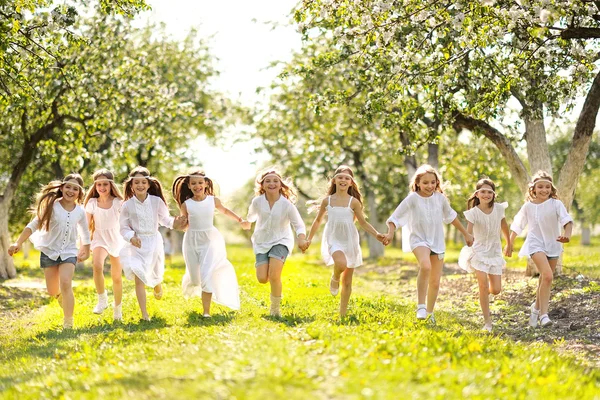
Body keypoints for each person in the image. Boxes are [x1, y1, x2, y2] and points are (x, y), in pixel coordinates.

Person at [383, 164, 474, 323]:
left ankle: (430, 313)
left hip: (437, 241)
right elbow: (395, 218)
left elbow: (451, 217)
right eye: (425, 183)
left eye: (433, 182)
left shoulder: (440, 198)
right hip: (418, 239)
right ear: (417, 183)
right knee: (425, 266)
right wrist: (390, 234)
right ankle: (420, 306)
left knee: (435, 282)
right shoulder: (412, 199)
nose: (430, 186)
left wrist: (466, 233)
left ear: (437, 183)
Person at [8, 174, 91, 329]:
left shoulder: (80, 211)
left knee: (66, 282)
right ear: (61, 188)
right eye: (68, 187)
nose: (71, 191)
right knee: (52, 291)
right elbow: (33, 225)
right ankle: (59, 296)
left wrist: (86, 249)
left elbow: (85, 232)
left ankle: (68, 323)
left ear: (80, 193)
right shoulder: (52, 206)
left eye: (75, 188)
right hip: (49, 251)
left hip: (69, 251)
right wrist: (18, 242)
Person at [304, 165, 386, 316]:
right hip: (333, 238)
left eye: (347, 178)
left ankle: (343, 314)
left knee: (347, 281)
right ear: (334, 181)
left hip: (349, 240)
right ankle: (335, 277)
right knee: (341, 264)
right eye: (340, 177)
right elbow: (317, 221)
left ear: (351, 183)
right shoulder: (327, 201)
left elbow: (362, 223)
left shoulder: (354, 202)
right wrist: (308, 239)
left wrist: (377, 235)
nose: (343, 180)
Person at [119, 166, 186, 321]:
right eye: (137, 182)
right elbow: (123, 227)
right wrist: (131, 237)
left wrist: (176, 223)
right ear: (131, 185)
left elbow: (165, 219)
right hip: (137, 243)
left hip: (154, 241)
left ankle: (157, 283)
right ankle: (144, 315)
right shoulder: (127, 205)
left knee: (155, 272)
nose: (140, 185)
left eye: (143, 182)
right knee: (138, 275)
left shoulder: (156, 202)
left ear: (149, 184)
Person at [172, 169, 242, 316]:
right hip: (191, 240)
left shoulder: (213, 200)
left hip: (210, 240)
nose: (197, 186)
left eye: (200, 183)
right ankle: (190, 280)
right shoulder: (186, 204)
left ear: (205, 184)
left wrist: (240, 220)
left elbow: (225, 211)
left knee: (206, 274)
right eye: (193, 184)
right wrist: (179, 223)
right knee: (196, 280)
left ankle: (206, 312)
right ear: (189, 186)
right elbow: (184, 225)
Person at [509, 171, 573, 328]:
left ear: (551, 189)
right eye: (540, 187)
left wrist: (567, 235)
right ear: (534, 189)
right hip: (535, 243)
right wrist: (510, 243)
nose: (544, 190)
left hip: (553, 244)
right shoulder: (528, 207)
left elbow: (567, 221)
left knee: (545, 279)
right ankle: (544, 315)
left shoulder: (556, 204)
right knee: (548, 276)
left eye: (547, 187)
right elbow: (518, 225)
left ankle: (535, 309)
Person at [241, 168, 307, 317]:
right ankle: (267, 267)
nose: (271, 183)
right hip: (261, 242)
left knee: (274, 276)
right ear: (262, 185)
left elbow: (299, 224)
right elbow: (251, 216)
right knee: (262, 279)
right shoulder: (257, 201)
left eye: (275, 181)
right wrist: (247, 223)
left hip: (281, 240)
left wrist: (301, 238)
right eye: (268, 181)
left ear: (280, 185)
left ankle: (275, 310)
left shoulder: (287, 205)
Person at [458, 178, 511, 332]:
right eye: (483, 191)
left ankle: (484, 295)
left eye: (489, 192)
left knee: (495, 290)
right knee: (482, 284)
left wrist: (509, 243)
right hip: (479, 252)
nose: (486, 194)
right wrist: (468, 238)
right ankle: (487, 322)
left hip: (494, 252)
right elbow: (469, 231)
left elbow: (504, 225)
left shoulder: (499, 209)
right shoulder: (473, 213)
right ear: (477, 194)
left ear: (494, 194)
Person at [84, 169, 125, 320]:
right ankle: (102, 299)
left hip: (117, 239)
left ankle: (118, 309)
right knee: (97, 266)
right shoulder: (92, 203)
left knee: (116, 277)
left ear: (111, 185)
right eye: (99, 184)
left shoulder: (118, 203)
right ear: (95, 186)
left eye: (105, 184)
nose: (102, 187)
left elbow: (127, 221)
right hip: (99, 238)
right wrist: (84, 244)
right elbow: (85, 225)